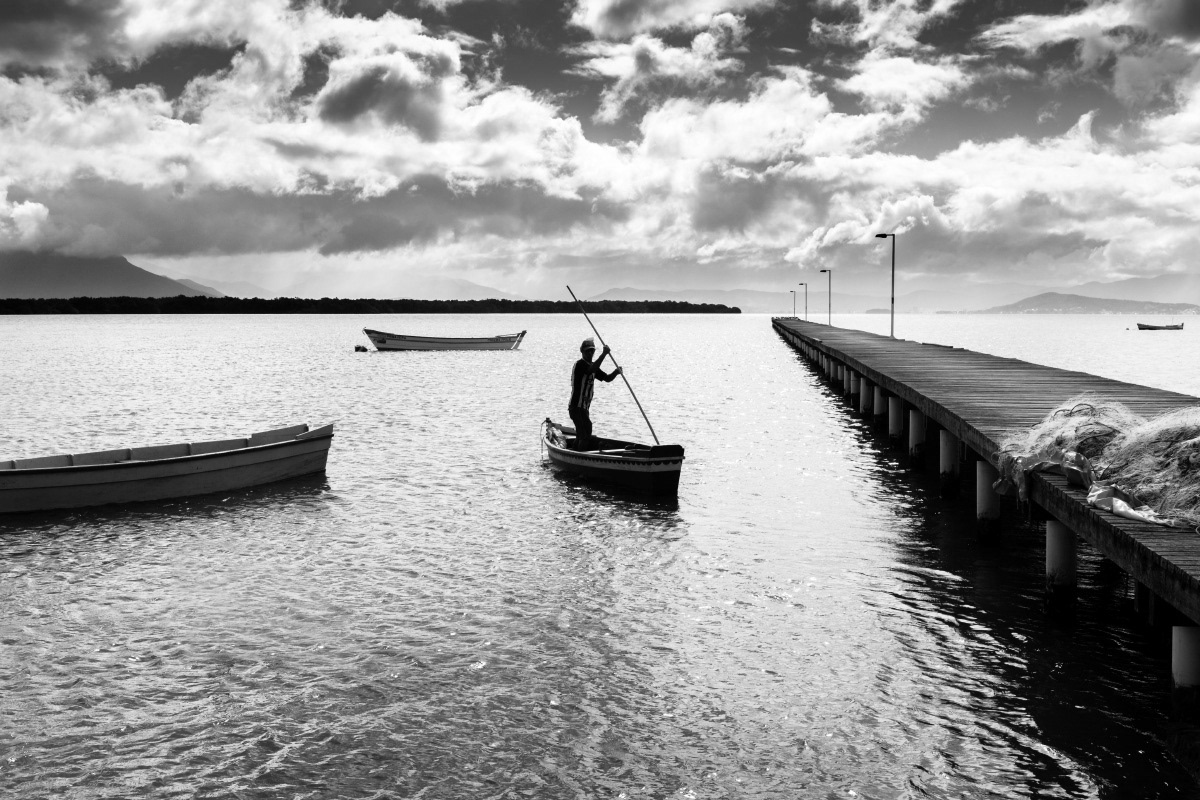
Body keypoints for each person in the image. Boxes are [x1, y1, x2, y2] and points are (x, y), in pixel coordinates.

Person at [568, 337, 622, 450]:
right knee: (585, 432)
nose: (590, 353)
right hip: (576, 407)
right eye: (588, 351)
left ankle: (574, 450)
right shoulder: (580, 365)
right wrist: (604, 354)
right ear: (582, 351)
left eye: (592, 351)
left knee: (583, 432)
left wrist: (616, 372)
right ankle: (579, 457)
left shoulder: (593, 366)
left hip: (584, 408)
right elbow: (590, 370)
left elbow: (607, 378)